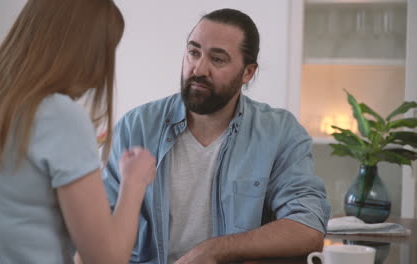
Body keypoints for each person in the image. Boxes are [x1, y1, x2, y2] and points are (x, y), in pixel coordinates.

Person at [103, 8, 330, 264]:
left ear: (248, 73)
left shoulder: (279, 132)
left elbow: (308, 226)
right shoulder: (136, 127)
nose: (199, 69)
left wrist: (215, 250)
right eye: (193, 52)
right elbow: (100, 231)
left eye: (218, 59)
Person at [0, 0, 156, 263]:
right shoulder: (58, 115)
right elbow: (107, 258)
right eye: (106, 52)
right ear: (87, 51)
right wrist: (134, 182)